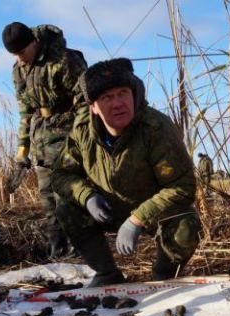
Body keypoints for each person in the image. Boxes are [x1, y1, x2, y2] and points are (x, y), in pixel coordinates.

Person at [52, 58, 201, 286]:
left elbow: (182, 186)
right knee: (67, 208)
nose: (118, 103)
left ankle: (164, 275)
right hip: (107, 209)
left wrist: (137, 219)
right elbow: (61, 175)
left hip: (151, 211)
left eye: (123, 93)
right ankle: (106, 273)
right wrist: (88, 197)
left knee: (185, 223)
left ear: (134, 94)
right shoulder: (82, 130)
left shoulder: (156, 128)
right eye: (107, 98)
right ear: (93, 106)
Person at [1, 22, 87, 259]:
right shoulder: (19, 70)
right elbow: (25, 112)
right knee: (48, 199)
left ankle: (82, 253)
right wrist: (22, 150)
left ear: (33, 43)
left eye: (21, 52)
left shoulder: (64, 60)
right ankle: (57, 252)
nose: (19, 59)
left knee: (66, 197)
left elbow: (85, 103)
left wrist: (79, 140)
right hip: (41, 141)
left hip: (67, 138)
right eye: (14, 55)